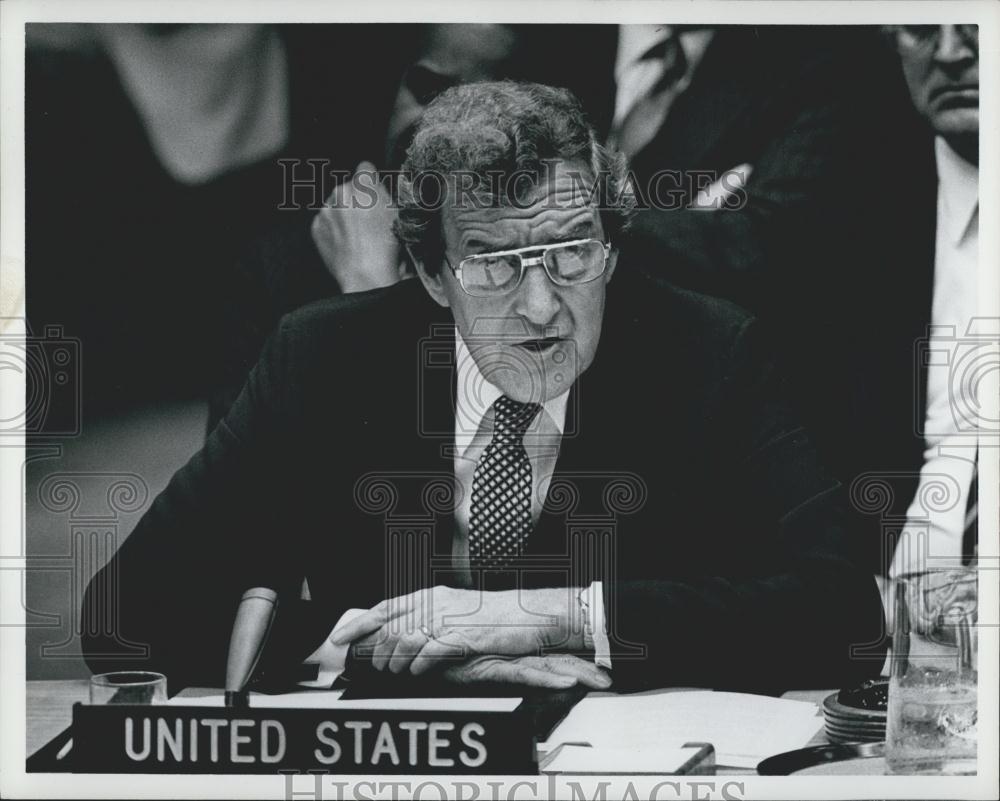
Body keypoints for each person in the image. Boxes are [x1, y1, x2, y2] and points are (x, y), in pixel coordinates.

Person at [82, 81, 884, 694]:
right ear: (432, 274)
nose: (543, 307)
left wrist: (538, 619)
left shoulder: (709, 348)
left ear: (610, 245)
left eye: (572, 250)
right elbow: (120, 619)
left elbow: (844, 615)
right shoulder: (324, 355)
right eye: (495, 263)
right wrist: (388, 650)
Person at [873, 25, 980, 583]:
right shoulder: (854, 216)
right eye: (920, 28)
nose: (951, 53)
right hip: (891, 627)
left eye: (976, 24)